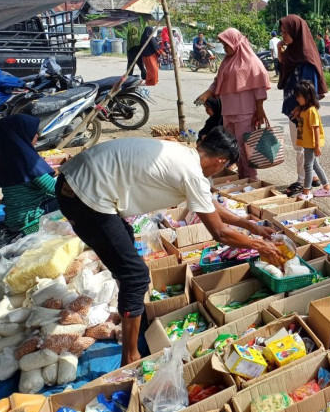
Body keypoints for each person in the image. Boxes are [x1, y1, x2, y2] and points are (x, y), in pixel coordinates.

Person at [56, 129, 283, 366]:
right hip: (83, 196)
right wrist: (260, 246)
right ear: (221, 161)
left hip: (76, 180)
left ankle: (130, 311)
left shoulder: (185, 155)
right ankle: (130, 356)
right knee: (136, 276)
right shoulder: (192, 173)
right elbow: (220, 233)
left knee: (127, 248)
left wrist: (246, 224)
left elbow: (208, 203)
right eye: (224, 168)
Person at [196, 28, 271, 180]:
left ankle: (251, 179)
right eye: (223, 45)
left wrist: (260, 108)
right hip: (227, 112)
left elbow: (259, 86)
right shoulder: (227, 61)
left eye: (226, 45)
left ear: (235, 42)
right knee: (232, 148)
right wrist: (207, 93)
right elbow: (218, 82)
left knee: (245, 148)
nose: (224, 48)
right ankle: (243, 179)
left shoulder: (251, 61)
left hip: (245, 112)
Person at [277, 15, 328, 197]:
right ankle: (312, 177)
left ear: (296, 32)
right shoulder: (293, 52)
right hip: (294, 105)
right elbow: (284, 70)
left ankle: (302, 181)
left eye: (285, 32)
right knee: (300, 144)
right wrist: (279, 51)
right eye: (282, 32)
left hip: (301, 110)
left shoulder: (306, 56)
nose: (283, 36)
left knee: (301, 145)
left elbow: (309, 88)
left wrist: (300, 108)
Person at [0, 115, 59, 237]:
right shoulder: (28, 161)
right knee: (72, 197)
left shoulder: (7, 158)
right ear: (22, 134)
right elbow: (55, 190)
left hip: (13, 219)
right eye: (34, 132)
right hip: (28, 221)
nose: (37, 136)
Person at [294, 80, 330, 201]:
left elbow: (316, 129)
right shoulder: (304, 109)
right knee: (315, 165)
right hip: (307, 142)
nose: (297, 99)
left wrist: (317, 146)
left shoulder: (311, 111)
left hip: (311, 143)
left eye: (299, 96)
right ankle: (327, 188)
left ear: (308, 96)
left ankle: (306, 191)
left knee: (308, 166)